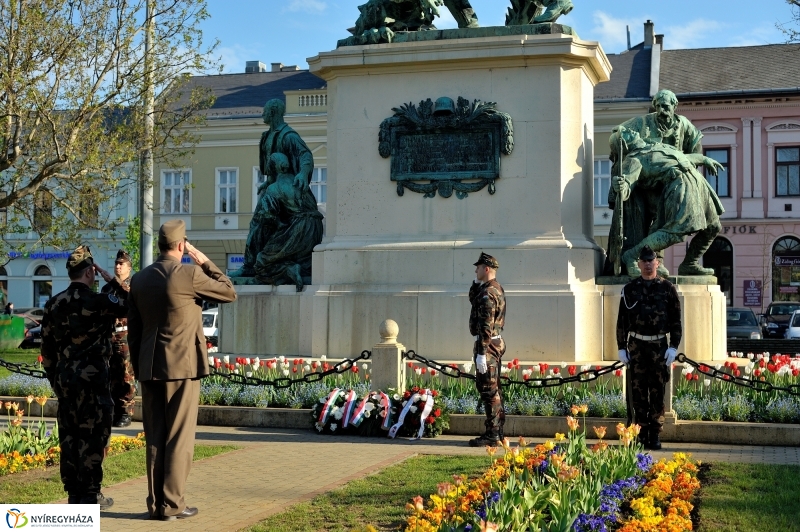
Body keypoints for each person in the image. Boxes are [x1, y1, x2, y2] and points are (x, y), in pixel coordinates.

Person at [128, 220, 237, 521]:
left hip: (150, 367)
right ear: (181, 245)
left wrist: (139, 367)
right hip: (183, 368)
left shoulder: (139, 279)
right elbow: (229, 291)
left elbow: (133, 332)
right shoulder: (189, 274)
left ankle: (155, 504)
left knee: (154, 437)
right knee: (179, 438)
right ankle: (172, 505)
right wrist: (203, 261)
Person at [40, 245, 126, 508]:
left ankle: (73, 494)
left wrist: (57, 379)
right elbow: (130, 305)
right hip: (94, 381)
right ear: (90, 271)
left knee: (69, 436)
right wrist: (114, 281)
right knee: (93, 436)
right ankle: (90, 495)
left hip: (66, 380)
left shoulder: (53, 304)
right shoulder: (98, 302)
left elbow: (47, 350)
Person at [606, 89, 704, 277]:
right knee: (651, 220)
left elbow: (696, 151)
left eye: (665, 106)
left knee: (667, 222)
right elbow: (616, 135)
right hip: (644, 182)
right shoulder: (642, 122)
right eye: (658, 106)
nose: (661, 110)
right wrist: (623, 142)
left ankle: (656, 260)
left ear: (674, 106)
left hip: (669, 181)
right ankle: (641, 259)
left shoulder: (684, 125)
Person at [610, 127, 724, 276]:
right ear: (624, 144)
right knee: (675, 232)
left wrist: (704, 159)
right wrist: (620, 185)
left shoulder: (654, 145)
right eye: (625, 133)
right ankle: (632, 255)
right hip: (679, 185)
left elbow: (682, 158)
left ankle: (689, 263)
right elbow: (627, 186)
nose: (631, 130)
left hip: (697, 183)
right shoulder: (633, 159)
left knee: (713, 227)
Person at [230, 98, 318, 279]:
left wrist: (302, 173)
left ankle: (253, 266)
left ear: (274, 112)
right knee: (259, 226)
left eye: (265, 111)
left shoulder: (288, 136)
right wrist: (268, 181)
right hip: (275, 187)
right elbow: (271, 167)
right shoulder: (266, 136)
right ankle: (253, 265)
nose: (262, 114)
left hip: (287, 189)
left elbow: (305, 155)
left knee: (260, 224)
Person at [616, 245, 682, 451]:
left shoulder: (667, 289)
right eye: (643, 261)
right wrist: (621, 347)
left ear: (657, 263)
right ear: (639, 264)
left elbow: (676, 321)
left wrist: (674, 347)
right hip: (636, 346)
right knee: (638, 392)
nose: (647, 264)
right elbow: (622, 322)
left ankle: (654, 433)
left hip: (658, 346)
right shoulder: (629, 289)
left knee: (657, 390)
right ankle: (640, 432)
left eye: (650, 261)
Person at [250, 153, 324, 290]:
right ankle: (298, 269)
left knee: (261, 262)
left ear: (272, 169)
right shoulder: (300, 181)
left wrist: (279, 226)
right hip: (316, 227)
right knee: (305, 261)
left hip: (299, 227)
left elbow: (268, 216)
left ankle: (288, 269)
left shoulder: (273, 188)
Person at [468, 252, 507, 447]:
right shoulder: (491, 289)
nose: (475, 270)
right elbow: (472, 299)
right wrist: (476, 282)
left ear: (487, 269)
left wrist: (482, 353)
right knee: (493, 389)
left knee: (489, 390)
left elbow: (486, 325)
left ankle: (493, 434)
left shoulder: (488, 293)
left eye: (478, 268)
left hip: (488, 344)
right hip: (492, 343)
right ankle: (497, 431)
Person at [101, 249, 136, 427]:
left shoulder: (134, 285)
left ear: (129, 267)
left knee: (125, 375)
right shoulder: (107, 288)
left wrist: (115, 283)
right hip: (109, 336)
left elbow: (133, 301)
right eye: (116, 263)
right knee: (110, 375)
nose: (118, 266)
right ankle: (113, 409)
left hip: (126, 337)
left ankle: (125, 411)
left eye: (121, 264)